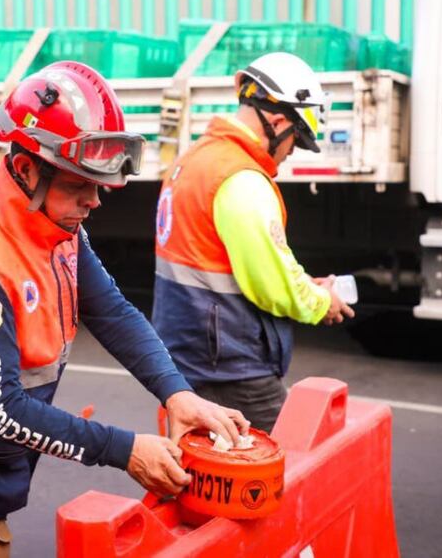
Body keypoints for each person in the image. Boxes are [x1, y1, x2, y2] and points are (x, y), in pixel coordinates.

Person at [0, 61, 248, 557]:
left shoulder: (54, 227)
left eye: (98, 185)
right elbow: (2, 412)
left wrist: (177, 395)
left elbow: (112, 312)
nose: (94, 202)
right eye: (79, 185)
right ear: (25, 169)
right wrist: (125, 451)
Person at [152, 52, 355, 433]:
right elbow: (269, 283)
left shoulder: (196, 159)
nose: (292, 151)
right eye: (296, 139)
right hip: (230, 370)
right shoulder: (240, 179)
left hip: (189, 359)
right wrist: (321, 301)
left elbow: (228, 261)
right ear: (277, 121)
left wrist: (306, 283)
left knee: (203, 478)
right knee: (282, 472)